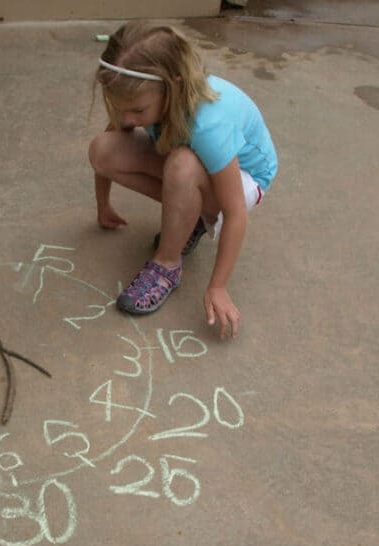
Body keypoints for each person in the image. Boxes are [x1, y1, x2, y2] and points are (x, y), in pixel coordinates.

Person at [88, 20, 277, 339]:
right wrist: (102, 204)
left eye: (136, 111)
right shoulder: (138, 96)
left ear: (172, 85)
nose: (126, 119)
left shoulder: (207, 124)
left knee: (183, 167)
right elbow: (112, 143)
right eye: (121, 110)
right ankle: (189, 218)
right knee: (103, 151)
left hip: (246, 179)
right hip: (192, 159)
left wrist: (218, 286)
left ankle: (167, 265)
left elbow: (235, 212)